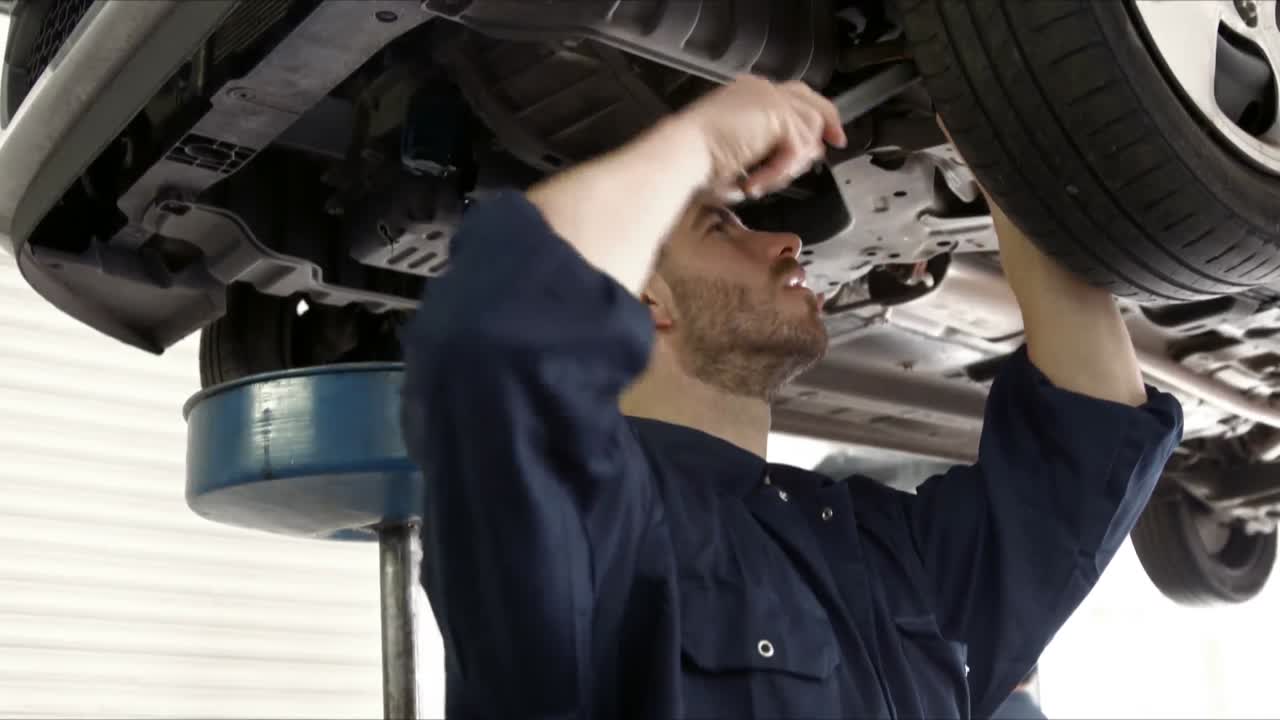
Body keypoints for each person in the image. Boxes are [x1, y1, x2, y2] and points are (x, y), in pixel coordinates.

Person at [399, 75, 1183, 718]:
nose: (786, 241)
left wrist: (998, 124)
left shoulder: (872, 547)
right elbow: (493, 342)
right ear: (642, 300)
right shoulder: (592, 535)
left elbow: (1093, 425)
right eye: (719, 228)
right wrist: (695, 144)